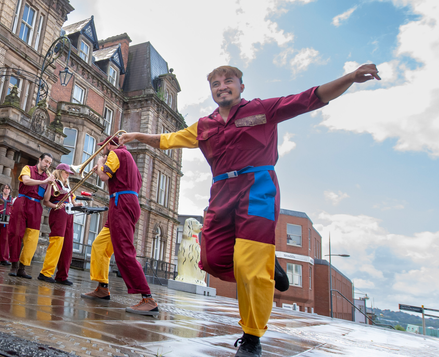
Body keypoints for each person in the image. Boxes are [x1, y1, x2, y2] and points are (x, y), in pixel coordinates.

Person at [120, 64, 381, 357]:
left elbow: (310, 97)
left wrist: (349, 78)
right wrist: (136, 136)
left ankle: (252, 336)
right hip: (221, 192)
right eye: (216, 84)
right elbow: (167, 140)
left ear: (241, 86)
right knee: (214, 261)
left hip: (258, 188)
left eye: (228, 81)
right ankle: (268, 264)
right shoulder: (204, 125)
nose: (222, 86)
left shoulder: (262, 110)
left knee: (251, 267)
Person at [81, 135, 159, 316]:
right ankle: (102, 288)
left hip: (120, 204)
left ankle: (148, 298)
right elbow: (118, 180)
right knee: (100, 245)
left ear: (110, 145)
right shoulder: (129, 160)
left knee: (124, 251)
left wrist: (101, 163)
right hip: (125, 202)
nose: (103, 151)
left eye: (104, 148)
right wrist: (102, 168)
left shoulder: (116, 153)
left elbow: (103, 175)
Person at [8, 153, 55, 278]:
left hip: (36, 206)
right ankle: (14, 265)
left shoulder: (47, 177)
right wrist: (44, 180)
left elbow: (46, 199)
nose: (47, 165)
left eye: (49, 163)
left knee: (32, 239)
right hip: (22, 202)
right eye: (46, 161)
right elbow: (26, 180)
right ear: (40, 160)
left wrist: (50, 184)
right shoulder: (28, 168)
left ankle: (22, 267)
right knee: (17, 233)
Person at [38, 163, 80, 285]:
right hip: (58, 213)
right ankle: (45, 272)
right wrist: (55, 204)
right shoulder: (54, 183)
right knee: (56, 242)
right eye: (66, 172)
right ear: (60, 171)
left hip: (69, 214)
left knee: (67, 246)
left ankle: (62, 276)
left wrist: (77, 204)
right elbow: (46, 201)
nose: (68, 175)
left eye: (68, 173)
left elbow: (73, 200)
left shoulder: (68, 186)